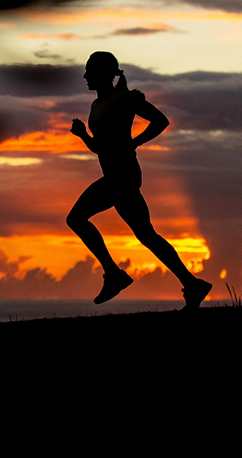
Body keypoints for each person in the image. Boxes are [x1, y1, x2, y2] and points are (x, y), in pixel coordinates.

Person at [67, 52, 213, 306]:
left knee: (75, 218)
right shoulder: (96, 106)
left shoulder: (125, 99)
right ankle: (192, 284)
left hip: (122, 175)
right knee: (147, 235)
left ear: (105, 74)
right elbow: (100, 149)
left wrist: (135, 142)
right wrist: (83, 136)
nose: (85, 76)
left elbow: (160, 121)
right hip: (116, 176)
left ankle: (113, 275)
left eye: (90, 71)